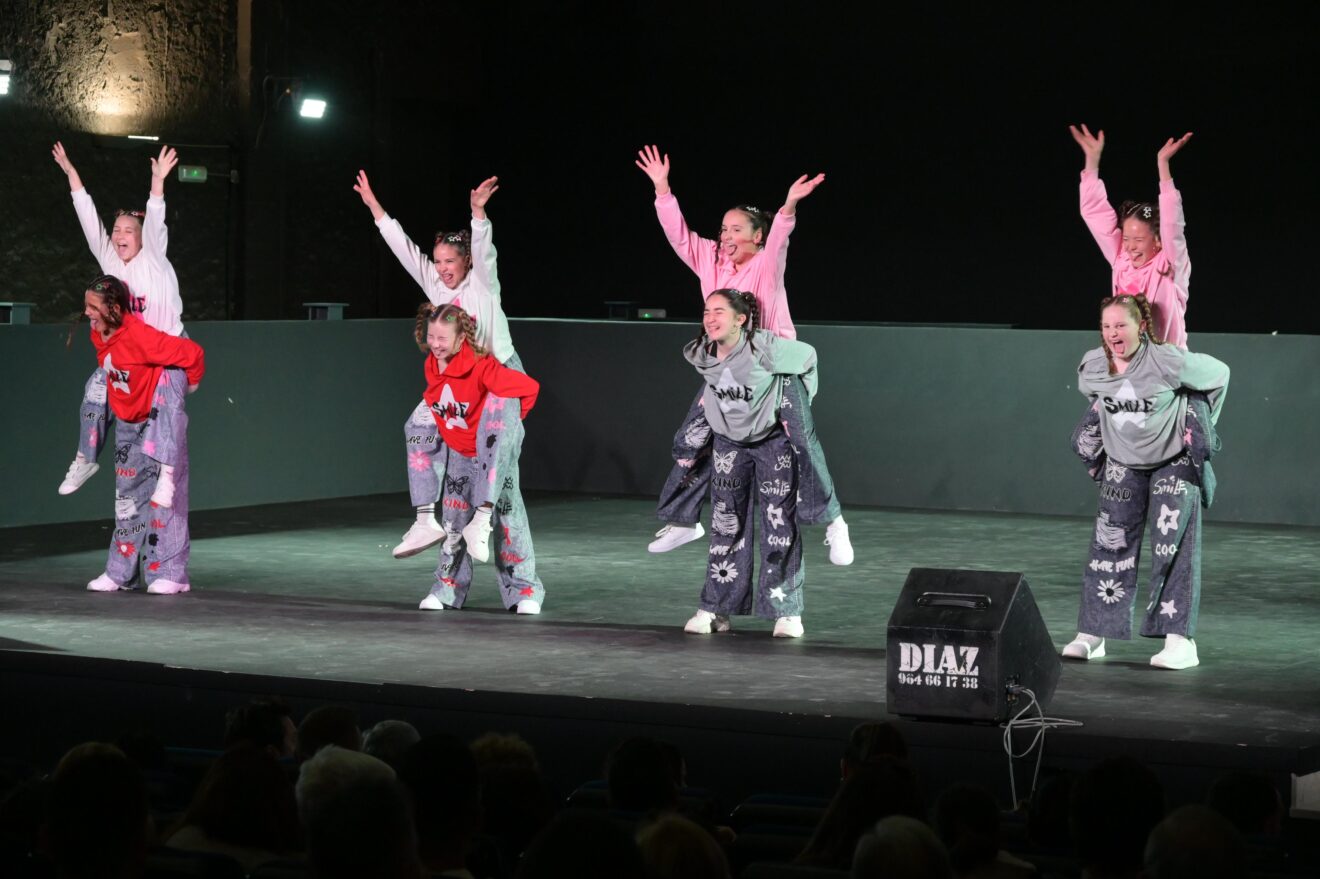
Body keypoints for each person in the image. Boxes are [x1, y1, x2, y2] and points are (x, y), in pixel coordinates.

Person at [635, 145, 853, 565]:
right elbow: (679, 235)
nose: (726, 236)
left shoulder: (765, 265)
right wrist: (662, 188)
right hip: (729, 371)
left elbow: (780, 239)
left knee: (802, 444)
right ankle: (683, 520)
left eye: (737, 229)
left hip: (776, 370)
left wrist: (788, 205)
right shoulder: (711, 262)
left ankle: (834, 522)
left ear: (757, 236)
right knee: (691, 437)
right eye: (723, 228)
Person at [354, 171, 523, 563]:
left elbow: (485, 251)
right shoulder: (435, 285)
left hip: (496, 374)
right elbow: (404, 249)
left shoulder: (483, 284)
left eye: (451, 261)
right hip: (457, 381)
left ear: (466, 261)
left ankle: (483, 519)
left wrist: (477, 213)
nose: (443, 267)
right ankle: (426, 518)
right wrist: (375, 209)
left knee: (494, 450)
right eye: (439, 261)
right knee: (417, 426)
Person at [1063, 294, 1228, 669]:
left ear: (1141, 327)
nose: (1113, 333)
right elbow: (1093, 397)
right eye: (1106, 326)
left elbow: (1220, 375)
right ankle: (1094, 633)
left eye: (1121, 325)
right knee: (1109, 543)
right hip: (1123, 462)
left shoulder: (1166, 360)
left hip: (1172, 461)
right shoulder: (1092, 366)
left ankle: (1179, 640)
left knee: (1173, 548)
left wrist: (1199, 423)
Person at [53, 142, 191, 509]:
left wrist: (157, 184)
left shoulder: (155, 258)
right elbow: (88, 220)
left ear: (142, 236)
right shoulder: (111, 261)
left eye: (128, 229)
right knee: (95, 388)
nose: (119, 234)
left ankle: (166, 478)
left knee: (167, 410)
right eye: (116, 229)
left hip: (166, 350)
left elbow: (156, 219)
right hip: (131, 355)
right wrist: (71, 174)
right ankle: (85, 458)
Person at [681, 290, 817, 638]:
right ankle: (717, 607)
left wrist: (798, 405)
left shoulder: (765, 348)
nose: (710, 318)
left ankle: (786, 610)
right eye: (706, 311)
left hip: (772, 440)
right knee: (726, 526)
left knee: (779, 523)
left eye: (719, 312)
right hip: (730, 442)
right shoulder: (704, 354)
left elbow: (808, 357)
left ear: (740, 319)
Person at [413, 304, 544, 613]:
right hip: (460, 454)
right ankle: (446, 588)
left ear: (462, 339)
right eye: (431, 336)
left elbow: (529, 388)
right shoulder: (433, 366)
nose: (435, 343)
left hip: (491, 456)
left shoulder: (483, 366)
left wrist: (506, 434)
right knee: (453, 521)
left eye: (443, 338)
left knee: (508, 519)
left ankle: (523, 589)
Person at [81, 275, 204, 595]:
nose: (87, 313)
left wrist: (186, 384)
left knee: (167, 495)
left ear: (114, 309)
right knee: (128, 500)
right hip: (127, 421)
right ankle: (121, 572)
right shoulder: (100, 335)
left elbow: (192, 353)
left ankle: (172, 573)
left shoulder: (140, 335)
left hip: (156, 416)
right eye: (86, 306)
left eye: (93, 307)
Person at [1069, 126, 1192, 346]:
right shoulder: (1121, 260)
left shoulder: (1170, 265)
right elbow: (1094, 213)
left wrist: (1163, 166)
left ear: (1157, 240)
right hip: (1130, 364)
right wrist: (1092, 162)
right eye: (1126, 239)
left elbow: (1173, 226)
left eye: (1138, 240)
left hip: (1165, 365)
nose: (1129, 247)